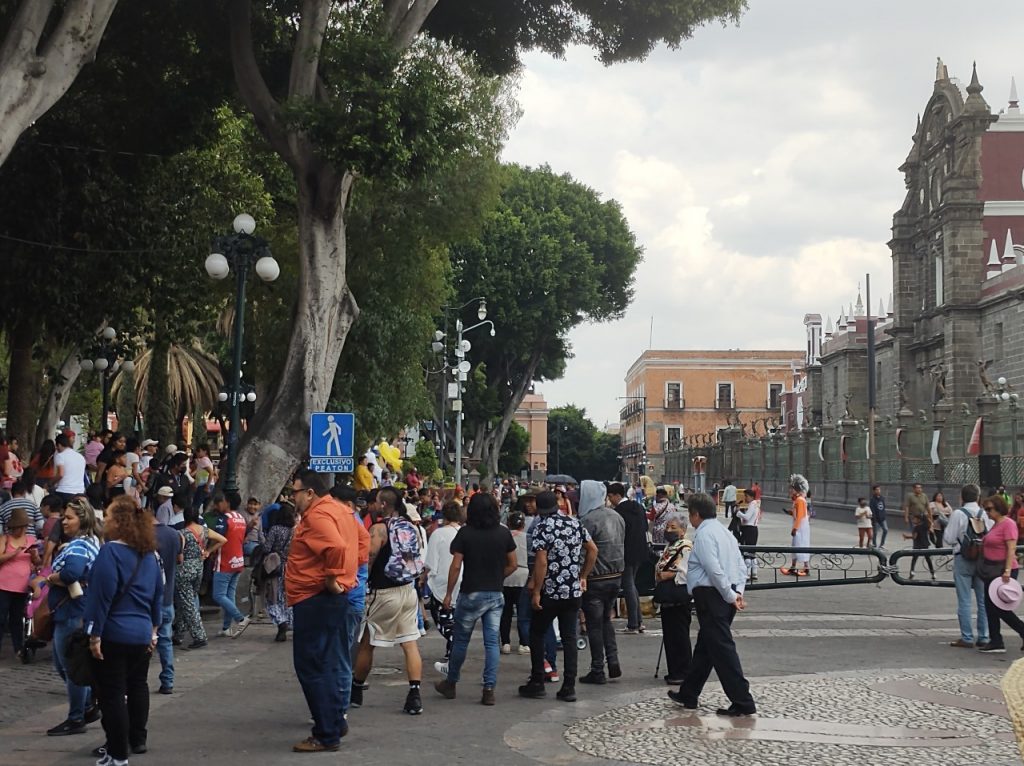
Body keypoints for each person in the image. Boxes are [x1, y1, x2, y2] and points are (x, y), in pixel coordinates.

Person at [85, 495, 164, 766]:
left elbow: (101, 596)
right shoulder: (150, 555)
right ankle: (136, 739)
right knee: (138, 684)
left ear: (118, 522)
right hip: (142, 633)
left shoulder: (110, 552)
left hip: (114, 633)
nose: (103, 522)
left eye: (107, 517)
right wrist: (154, 630)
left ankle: (118, 753)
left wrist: (94, 634)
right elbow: (158, 596)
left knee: (112, 694)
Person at [286, 471, 356, 753]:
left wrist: (333, 578)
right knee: (326, 663)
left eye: (295, 492)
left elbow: (338, 547)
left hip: (315, 597)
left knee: (311, 666)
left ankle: (326, 732)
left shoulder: (317, 516)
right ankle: (334, 722)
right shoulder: (341, 511)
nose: (293, 497)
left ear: (310, 493)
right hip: (329, 596)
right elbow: (360, 543)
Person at [668, 492, 755, 716]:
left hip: (712, 595)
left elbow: (712, 568)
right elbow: (740, 565)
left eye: (690, 514)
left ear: (695, 514)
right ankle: (689, 692)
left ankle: (743, 700)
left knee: (722, 650)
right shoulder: (725, 533)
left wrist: (728, 594)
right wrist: (737, 592)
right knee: (706, 647)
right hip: (725, 594)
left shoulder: (705, 535)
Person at [434, 493, 517, 705]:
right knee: (491, 642)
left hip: (471, 591)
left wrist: (449, 593)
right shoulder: (503, 533)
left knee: (461, 640)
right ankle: (489, 688)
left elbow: (455, 565)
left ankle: (451, 682)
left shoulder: (465, 533)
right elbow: (513, 563)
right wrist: (498, 577)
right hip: (495, 593)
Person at [352, 486, 425, 715]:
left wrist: (362, 581)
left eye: (375, 502)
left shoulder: (379, 529)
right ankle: (414, 694)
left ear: (383, 505)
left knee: (368, 642)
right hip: (407, 589)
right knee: (409, 642)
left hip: (384, 592)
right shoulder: (409, 526)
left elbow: (369, 556)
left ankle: (356, 689)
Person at [519, 490, 597, 703]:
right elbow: (592, 549)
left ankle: (537, 680)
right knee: (570, 637)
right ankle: (568, 686)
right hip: (572, 591)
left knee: (537, 632)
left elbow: (541, 562)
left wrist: (536, 590)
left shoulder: (541, 527)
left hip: (551, 590)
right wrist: (583, 575)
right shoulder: (574, 523)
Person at [46, 498, 101, 737]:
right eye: (64, 517)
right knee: (67, 665)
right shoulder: (90, 542)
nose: (64, 521)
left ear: (82, 519)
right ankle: (87, 705)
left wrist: (52, 578)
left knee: (70, 666)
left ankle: (77, 716)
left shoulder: (78, 545)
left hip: (71, 612)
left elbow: (72, 573)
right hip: (75, 610)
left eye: (69, 518)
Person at [578, 480, 624, 684]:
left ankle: (598, 669)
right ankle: (613, 661)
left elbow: (583, 551)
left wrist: (581, 575)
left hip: (596, 578)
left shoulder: (588, 520)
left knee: (594, 624)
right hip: (616, 576)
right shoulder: (617, 516)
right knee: (606, 620)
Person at [943, 483, 993, 649]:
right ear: (978, 497)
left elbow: (949, 538)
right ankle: (984, 636)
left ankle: (967, 637)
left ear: (961, 497)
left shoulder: (958, 513)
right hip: (982, 560)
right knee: (983, 600)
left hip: (963, 558)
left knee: (964, 600)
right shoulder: (984, 514)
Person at [977, 495, 1024, 653]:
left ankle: (1021, 631)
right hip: (991, 569)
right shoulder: (995, 524)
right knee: (990, 606)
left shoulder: (1008, 524)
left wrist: (1007, 570)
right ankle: (995, 639)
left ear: (999, 507)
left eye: (990, 509)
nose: (987, 512)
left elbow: (1011, 548)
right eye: (986, 509)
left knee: (1000, 607)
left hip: (1002, 570)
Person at [175, 506, 224, 650]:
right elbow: (222, 539)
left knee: (187, 603)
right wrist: (208, 551)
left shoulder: (182, 533)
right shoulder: (204, 530)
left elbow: (180, 555)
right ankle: (179, 633)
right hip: (199, 568)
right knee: (186, 600)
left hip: (185, 569)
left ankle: (199, 636)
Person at [421, 501, 462, 665]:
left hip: (442, 580)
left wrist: (424, 577)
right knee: (455, 617)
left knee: (442, 619)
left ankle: (454, 644)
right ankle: (451, 648)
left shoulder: (438, 534)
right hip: (462, 578)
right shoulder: (463, 532)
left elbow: (430, 562)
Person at [607, 482, 648, 633]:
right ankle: (638, 620)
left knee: (628, 585)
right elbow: (644, 526)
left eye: (611, 496)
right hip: (640, 550)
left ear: (618, 495)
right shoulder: (637, 507)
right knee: (632, 585)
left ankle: (633, 623)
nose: (610, 500)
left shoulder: (618, 512)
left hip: (626, 552)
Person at [208, 492, 250, 638]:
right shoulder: (242, 519)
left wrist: (208, 551)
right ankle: (226, 627)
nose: (218, 504)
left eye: (221, 501)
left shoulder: (224, 519)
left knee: (218, 595)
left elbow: (218, 538)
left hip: (225, 561)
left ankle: (240, 618)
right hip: (238, 560)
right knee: (229, 595)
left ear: (227, 502)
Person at [656, 516, 692, 685]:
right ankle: (674, 670)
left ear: (683, 530)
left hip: (678, 594)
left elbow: (687, 572)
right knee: (670, 634)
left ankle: (683, 671)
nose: (668, 531)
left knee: (679, 634)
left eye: (673, 527)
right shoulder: (670, 545)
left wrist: (667, 575)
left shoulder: (686, 546)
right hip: (667, 594)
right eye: (668, 527)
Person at [0, 507, 40, 659]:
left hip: (21, 585)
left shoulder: (30, 540)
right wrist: (15, 553)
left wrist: (35, 556)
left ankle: (19, 648)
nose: (20, 530)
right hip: (3, 584)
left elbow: (37, 562)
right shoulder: (5, 539)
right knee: (1, 617)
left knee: (17, 619)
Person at [152, 508, 182, 693]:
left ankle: (135, 683)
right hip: (167, 596)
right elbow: (179, 558)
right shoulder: (173, 534)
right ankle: (168, 681)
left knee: (142, 643)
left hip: (149, 599)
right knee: (165, 640)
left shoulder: (143, 536)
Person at [265, 502, 296, 642]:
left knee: (273, 596)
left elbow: (267, 547)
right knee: (286, 597)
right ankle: (290, 622)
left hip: (275, 567)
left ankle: (280, 621)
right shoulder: (294, 530)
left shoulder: (275, 529)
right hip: (290, 567)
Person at [500, 510, 529, 655]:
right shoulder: (528, 538)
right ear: (523, 525)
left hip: (505, 576)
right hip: (523, 577)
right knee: (523, 614)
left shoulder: (503, 537)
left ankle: (505, 642)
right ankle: (524, 643)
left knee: (505, 613)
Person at [780, 474, 811, 577]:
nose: (790, 490)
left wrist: (795, 529)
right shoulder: (797, 500)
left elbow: (800, 516)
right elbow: (797, 513)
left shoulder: (800, 500)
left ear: (797, 489)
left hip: (800, 528)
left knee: (801, 546)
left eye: (791, 488)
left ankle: (806, 568)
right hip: (799, 527)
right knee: (795, 546)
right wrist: (789, 512)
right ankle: (793, 568)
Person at [53, 434, 87, 502]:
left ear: (59, 445)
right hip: (80, 492)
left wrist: (50, 483)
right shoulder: (80, 457)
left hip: (64, 492)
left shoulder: (60, 456)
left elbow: (60, 474)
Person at [737, 489, 760, 580]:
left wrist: (738, 512)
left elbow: (747, 517)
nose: (745, 498)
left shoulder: (752, 504)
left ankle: (747, 574)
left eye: (746, 496)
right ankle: (754, 573)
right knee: (752, 552)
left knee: (746, 552)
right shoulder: (756, 504)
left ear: (751, 496)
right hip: (753, 529)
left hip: (749, 530)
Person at [905, 507, 935, 580]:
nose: (912, 520)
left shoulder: (916, 528)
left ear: (918, 520)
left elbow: (915, 537)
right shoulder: (925, 526)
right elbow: (930, 524)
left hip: (917, 545)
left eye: (914, 519)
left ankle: (912, 572)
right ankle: (932, 573)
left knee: (914, 559)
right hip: (925, 544)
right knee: (928, 560)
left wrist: (906, 537)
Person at [869, 485, 888, 549]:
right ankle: (874, 544)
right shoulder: (872, 500)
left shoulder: (882, 498)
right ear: (874, 491)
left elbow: (883, 507)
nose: (878, 491)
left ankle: (882, 545)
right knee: (875, 532)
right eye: (877, 490)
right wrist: (874, 519)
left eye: (879, 489)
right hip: (876, 519)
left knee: (885, 530)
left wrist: (884, 515)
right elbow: (872, 510)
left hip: (882, 518)